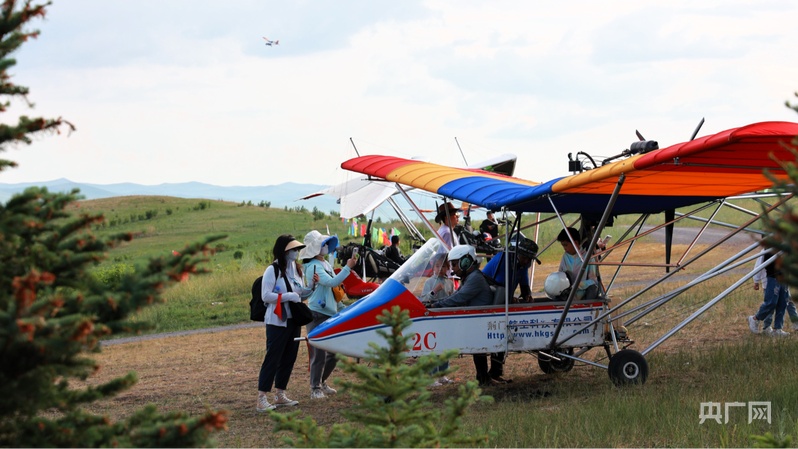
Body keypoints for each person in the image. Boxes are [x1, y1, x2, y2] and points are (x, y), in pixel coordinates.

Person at [257, 234, 314, 412]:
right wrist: (286, 297)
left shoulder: (297, 270)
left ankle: (280, 393)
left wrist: (311, 287)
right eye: (293, 250)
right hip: (277, 321)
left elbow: (300, 294)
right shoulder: (272, 270)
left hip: (293, 320)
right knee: (273, 357)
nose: (296, 253)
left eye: (297, 250)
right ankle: (261, 397)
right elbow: (265, 295)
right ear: (284, 251)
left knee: (289, 357)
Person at [426, 245, 495, 386]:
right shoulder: (470, 277)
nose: (453, 269)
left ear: (466, 262)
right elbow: (457, 295)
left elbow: (459, 298)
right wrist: (433, 302)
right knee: (477, 348)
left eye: (455, 264)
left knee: (477, 347)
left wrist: (435, 305)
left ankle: (483, 378)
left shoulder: (475, 278)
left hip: (480, 321)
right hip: (477, 320)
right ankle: (482, 378)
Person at [300, 230, 357, 399]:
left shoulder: (325, 264)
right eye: (322, 244)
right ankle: (315, 388)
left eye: (325, 244)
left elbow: (333, 290)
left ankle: (321, 382)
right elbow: (332, 282)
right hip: (317, 313)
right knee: (318, 353)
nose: (325, 247)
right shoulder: (312, 267)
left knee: (335, 353)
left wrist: (342, 307)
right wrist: (348, 267)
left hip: (330, 313)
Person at [420, 253, 455, 386]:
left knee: (444, 347)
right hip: (432, 320)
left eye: (443, 266)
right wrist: (434, 291)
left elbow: (453, 299)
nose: (440, 269)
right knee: (433, 348)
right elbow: (423, 299)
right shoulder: (429, 282)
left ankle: (442, 374)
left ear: (448, 268)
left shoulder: (449, 283)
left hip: (445, 320)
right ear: (433, 267)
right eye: (437, 266)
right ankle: (431, 376)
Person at [483, 236, 540, 303]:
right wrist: (510, 299)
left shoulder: (523, 264)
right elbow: (500, 288)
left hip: (500, 294)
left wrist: (527, 295)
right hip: (488, 295)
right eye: (524, 258)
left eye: (530, 259)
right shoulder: (504, 259)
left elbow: (524, 284)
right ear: (518, 254)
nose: (526, 261)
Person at [748, 249, 791, 337]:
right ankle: (755, 318)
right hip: (773, 277)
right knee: (771, 302)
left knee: (783, 302)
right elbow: (759, 265)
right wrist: (756, 280)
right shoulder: (769, 247)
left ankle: (777, 329)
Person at [557, 227, 599, 300]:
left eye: (566, 245)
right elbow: (560, 275)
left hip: (583, 295)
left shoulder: (588, 257)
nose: (564, 248)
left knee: (593, 288)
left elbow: (593, 281)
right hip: (567, 295)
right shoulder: (565, 257)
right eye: (562, 245)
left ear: (575, 243)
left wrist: (578, 285)